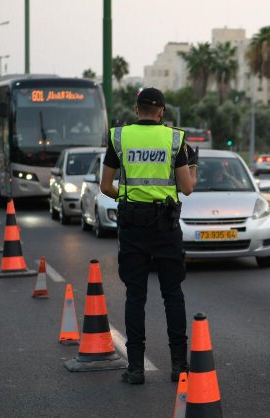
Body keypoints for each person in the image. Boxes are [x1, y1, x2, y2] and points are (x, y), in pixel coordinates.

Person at [99, 87, 198, 385]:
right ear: (161, 112)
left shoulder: (119, 137)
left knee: (135, 296)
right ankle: (179, 366)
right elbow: (187, 187)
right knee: (172, 295)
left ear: (136, 108)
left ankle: (136, 369)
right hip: (165, 226)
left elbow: (105, 186)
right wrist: (193, 167)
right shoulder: (174, 139)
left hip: (132, 224)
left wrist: (126, 197)